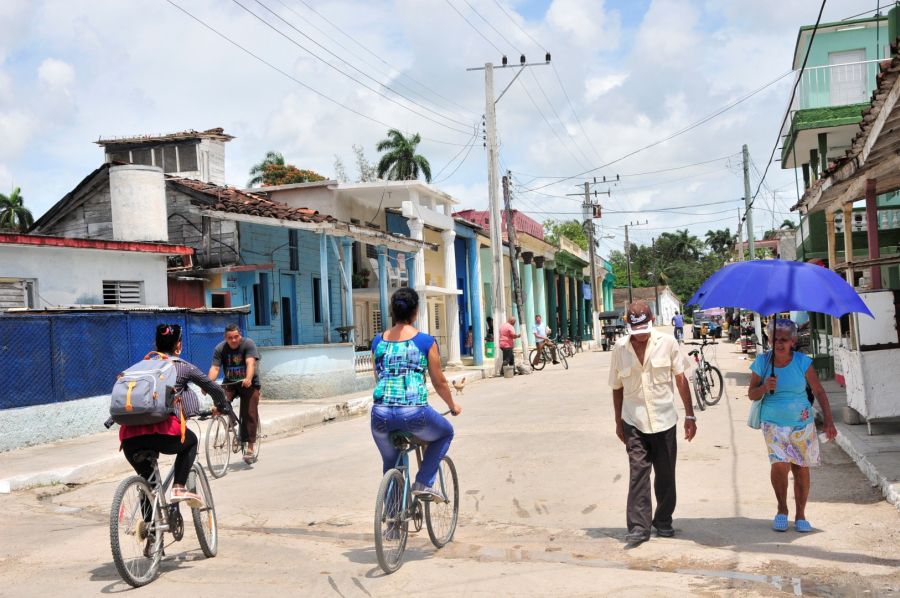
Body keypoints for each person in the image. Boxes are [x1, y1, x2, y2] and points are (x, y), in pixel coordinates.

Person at [608, 301, 697, 545]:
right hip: (633, 420)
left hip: (664, 418)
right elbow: (616, 387)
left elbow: (680, 379)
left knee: (666, 473)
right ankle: (639, 526)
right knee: (638, 472)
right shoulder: (619, 348)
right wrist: (618, 421)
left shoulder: (667, 343)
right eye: (635, 334)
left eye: (643, 332)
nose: (639, 338)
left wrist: (690, 415)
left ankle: (663, 519)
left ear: (652, 321)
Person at [120, 324, 227, 507]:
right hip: (163, 433)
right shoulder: (182, 367)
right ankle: (178, 486)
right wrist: (221, 405)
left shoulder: (138, 367)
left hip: (129, 439)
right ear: (178, 345)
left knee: (148, 482)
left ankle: (151, 532)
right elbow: (214, 388)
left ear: (156, 343)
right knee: (191, 441)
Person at [370, 287, 462, 501]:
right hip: (414, 414)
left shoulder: (378, 341)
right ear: (416, 312)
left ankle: (392, 527)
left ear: (392, 311)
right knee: (445, 433)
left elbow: (378, 377)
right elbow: (439, 382)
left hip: (380, 414)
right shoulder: (425, 342)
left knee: (391, 465)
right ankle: (423, 482)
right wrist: (452, 405)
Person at [748, 318, 837, 533]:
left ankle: (800, 514)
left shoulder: (802, 362)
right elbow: (751, 394)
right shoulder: (762, 362)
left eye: (784, 339)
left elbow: (819, 391)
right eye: (775, 339)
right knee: (779, 465)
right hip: (773, 423)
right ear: (769, 340)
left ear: (793, 341)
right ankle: (781, 510)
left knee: (800, 468)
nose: (779, 343)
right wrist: (764, 388)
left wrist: (828, 420)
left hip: (801, 423)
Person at [208, 324, 261, 464]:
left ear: (240, 335)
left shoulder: (248, 344)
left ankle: (250, 448)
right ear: (225, 338)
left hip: (248, 383)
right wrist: (207, 384)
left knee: (249, 412)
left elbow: (250, 363)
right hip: (230, 382)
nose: (233, 340)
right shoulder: (220, 349)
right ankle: (233, 424)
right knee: (221, 402)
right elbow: (215, 368)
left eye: (236, 337)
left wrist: (249, 378)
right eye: (230, 338)